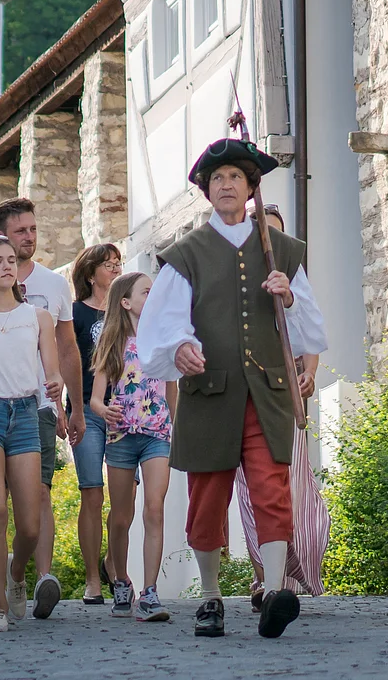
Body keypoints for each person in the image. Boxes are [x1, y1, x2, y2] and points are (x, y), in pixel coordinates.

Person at [137, 138, 327, 642]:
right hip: (210, 394)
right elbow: (161, 327)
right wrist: (180, 347)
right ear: (206, 191)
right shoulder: (185, 255)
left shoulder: (282, 250)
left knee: (272, 490)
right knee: (207, 500)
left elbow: (312, 332)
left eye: (235, 179)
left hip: (267, 393)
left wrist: (288, 297)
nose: (225, 185)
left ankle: (273, 590)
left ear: (250, 190)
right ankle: (210, 597)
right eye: (216, 179)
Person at [0, 197, 84, 620]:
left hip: (27, 414)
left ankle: (17, 572)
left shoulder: (38, 317)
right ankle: (0, 605)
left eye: (11, 260)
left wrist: (58, 384)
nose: (8, 266)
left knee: (28, 523)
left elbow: (52, 364)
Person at [236, 204, 330, 608]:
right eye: (263, 231)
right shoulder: (237, 272)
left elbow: (309, 331)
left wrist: (308, 374)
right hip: (245, 388)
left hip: (283, 392)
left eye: (276, 233)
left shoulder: (290, 269)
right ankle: (264, 578)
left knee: (288, 483)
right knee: (249, 484)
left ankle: (292, 575)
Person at [90, 271, 175, 623]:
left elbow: (172, 390)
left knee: (154, 508)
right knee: (121, 516)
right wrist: (102, 408)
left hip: (157, 436)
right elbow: (96, 398)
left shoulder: (163, 339)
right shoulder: (112, 342)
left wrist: (172, 425)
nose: (152, 296)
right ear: (126, 302)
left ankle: (151, 591)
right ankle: (121, 581)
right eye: (146, 291)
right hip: (121, 438)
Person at [69, 241, 122, 602]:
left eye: (118, 262)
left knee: (124, 497)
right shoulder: (75, 314)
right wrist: (68, 409)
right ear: (90, 274)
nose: (116, 268)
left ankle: (114, 563)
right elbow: (65, 363)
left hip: (127, 411)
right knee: (92, 491)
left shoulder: (130, 310)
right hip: (88, 410)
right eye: (108, 264)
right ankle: (92, 579)